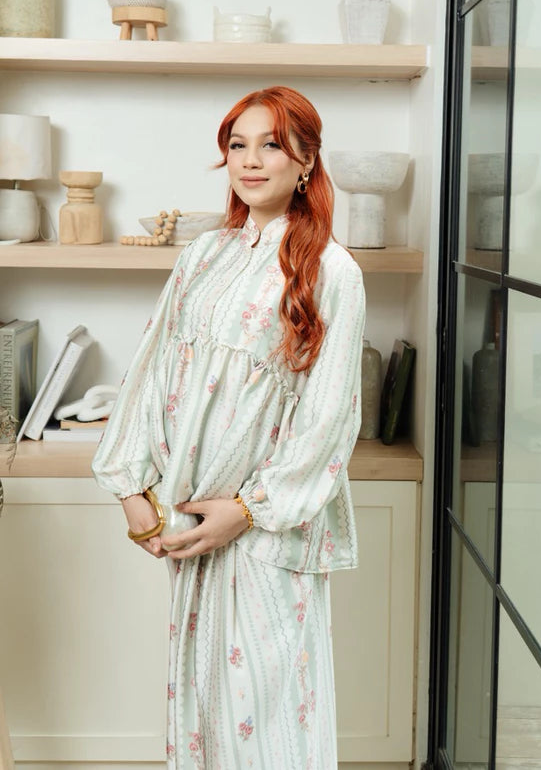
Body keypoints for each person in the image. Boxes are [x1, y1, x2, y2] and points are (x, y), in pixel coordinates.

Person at [92, 85, 366, 769]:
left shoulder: (334, 271)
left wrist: (247, 510)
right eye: (237, 145)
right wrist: (132, 490)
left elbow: (328, 418)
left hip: (266, 532)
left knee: (269, 720)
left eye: (271, 144)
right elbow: (153, 365)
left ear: (306, 160)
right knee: (205, 707)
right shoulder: (205, 256)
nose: (251, 160)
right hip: (190, 526)